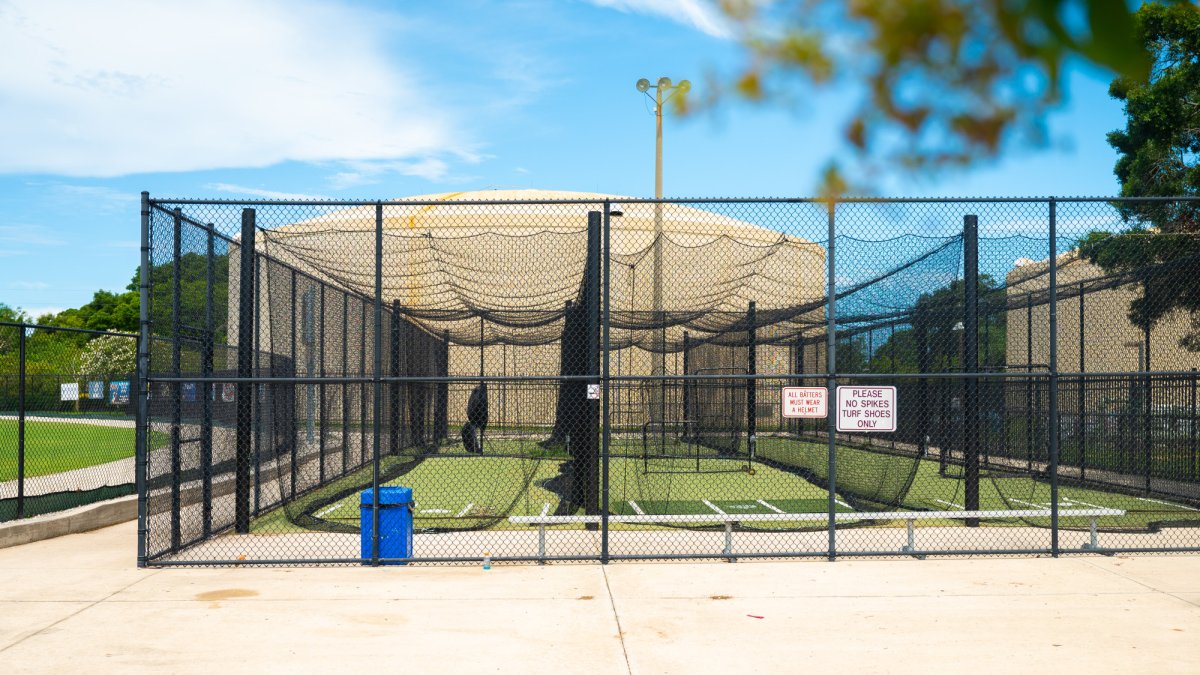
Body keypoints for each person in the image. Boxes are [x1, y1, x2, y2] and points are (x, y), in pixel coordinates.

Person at [461, 382, 488, 454]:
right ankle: (476, 447)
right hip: (474, 417)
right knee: (470, 428)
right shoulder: (475, 394)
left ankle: (478, 447)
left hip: (479, 417)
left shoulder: (479, 393)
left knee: (472, 428)